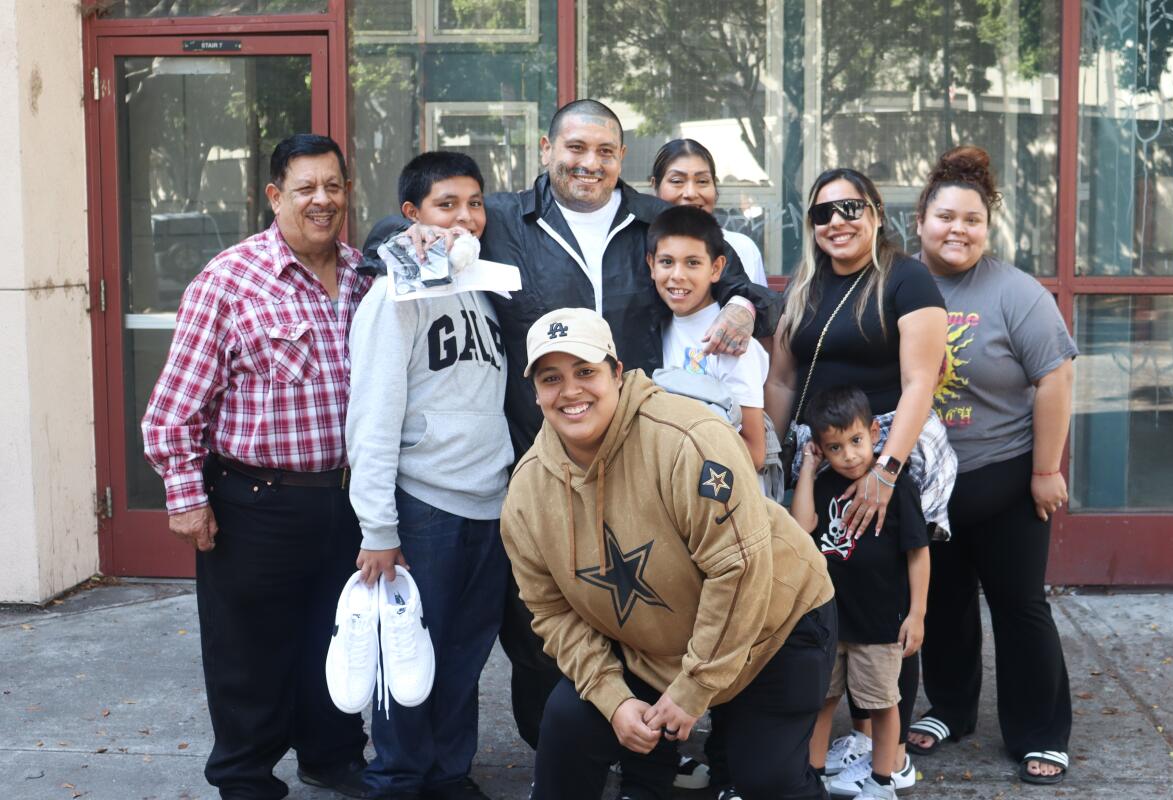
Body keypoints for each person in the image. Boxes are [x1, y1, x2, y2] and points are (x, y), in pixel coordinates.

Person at [369, 99, 782, 751]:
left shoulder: (653, 222)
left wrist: (741, 303)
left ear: (622, 160)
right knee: (542, 624)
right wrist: (403, 238)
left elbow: (734, 273)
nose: (590, 164)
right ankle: (557, 756)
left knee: (649, 606)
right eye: (576, 149)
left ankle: (647, 750)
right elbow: (389, 239)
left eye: (606, 152)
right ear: (545, 148)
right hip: (538, 464)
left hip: (642, 459)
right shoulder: (501, 219)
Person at [502, 308, 836, 800]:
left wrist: (693, 688)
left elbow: (738, 569)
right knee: (568, 725)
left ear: (617, 373)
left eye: (586, 372)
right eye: (551, 378)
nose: (570, 391)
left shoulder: (688, 440)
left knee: (766, 779)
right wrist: (613, 700)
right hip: (651, 647)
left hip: (775, 625)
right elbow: (550, 611)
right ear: (535, 391)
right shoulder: (526, 495)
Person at [141, 134, 370, 799]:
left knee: (335, 636)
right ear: (276, 196)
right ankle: (245, 776)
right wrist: (186, 498)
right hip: (255, 501)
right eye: (306, 188)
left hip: (344, 499)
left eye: (333, 186)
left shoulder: (365, 275)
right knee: (249, 653)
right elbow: (174, 408)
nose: (322, 200)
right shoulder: (230, 280)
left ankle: (332, 755)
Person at [763, 167, 949, 792]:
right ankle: (842, 744)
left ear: (874, 213)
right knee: (826, 590)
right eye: (822, 213)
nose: (836, 222)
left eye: (850, 208)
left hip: (883, 451)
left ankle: (884, 754)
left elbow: (922, 379)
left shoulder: (904, 276)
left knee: (885, 587)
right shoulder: (805, 287)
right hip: (818, 455)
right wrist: (771, 457)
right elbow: (784, 380)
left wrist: (887, 473)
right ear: (810, 225)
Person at [344, 152, 513, 800]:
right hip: (424, 506)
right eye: (447, 204)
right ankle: (397, 778)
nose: (465, 217)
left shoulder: (485, 286)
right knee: (407, 658)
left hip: (488, 503)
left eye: (475, 203)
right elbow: (373, 416)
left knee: (463, 657)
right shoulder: (395, 292)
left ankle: (449, 774)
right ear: (412, 215)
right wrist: (378, 526)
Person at [906, 146, 1076, 785]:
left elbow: (1055, 379)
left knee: (1019, 605)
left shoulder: (1017, 293)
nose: (958, 229)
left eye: (972, 219)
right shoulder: (899, 282)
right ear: (921, 219)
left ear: (988, 226)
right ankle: (951, 707)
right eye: (945, 216)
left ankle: (1040, 730)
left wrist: (1045, 469)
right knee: (943, 601)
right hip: (926, 483)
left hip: (1004, 475)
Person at [791, 386, 929, 800]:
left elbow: (918, 553)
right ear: (821, 448)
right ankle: (812, 778)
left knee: (882, 704)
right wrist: (809, 469)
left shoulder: (898, 488)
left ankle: (881, 780)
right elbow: (801, 528)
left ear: (873, 433)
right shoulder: (823, 483)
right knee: (822, 700)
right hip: (831, 621)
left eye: (856, 441)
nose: (849, 455)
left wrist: (917, 613)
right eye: (835, 447)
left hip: (880, 622)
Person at [649, 205, 769, 471]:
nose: (677, 275)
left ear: (716, 268)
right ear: (651, 265)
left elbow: (755, 454)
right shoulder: (657, 327)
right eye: (667, 262)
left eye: (693, 263)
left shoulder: (731, 339)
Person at [649, 138, 768, 287]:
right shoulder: (638, 248)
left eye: (702, 181)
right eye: (677, 181)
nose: (691, 193)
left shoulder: (743, 249)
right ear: (655, 186)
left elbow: (758, 305)